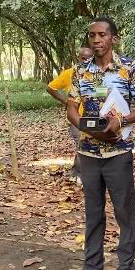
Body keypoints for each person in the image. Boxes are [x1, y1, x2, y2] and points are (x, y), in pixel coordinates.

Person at [64, 17, 135, 270]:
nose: (96, 40)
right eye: (92, 35)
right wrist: (91, 130)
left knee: (124, 213)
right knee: (93, 212)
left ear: (113, 38)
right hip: (88, 152)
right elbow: (71, 110)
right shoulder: (80, 70)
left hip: (118, 152)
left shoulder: (130, 68)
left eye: (102, 35)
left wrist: (121, 122)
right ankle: (93, 268)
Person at [47, 47, 94, 184]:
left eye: (89, 58)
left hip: (92, 116)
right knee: (82, 144)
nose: (86, 61)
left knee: (87, 144)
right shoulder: (69, 73)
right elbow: (51, 88)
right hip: (75, 117)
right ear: (78, 58)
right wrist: (66, 102)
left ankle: (77, 173)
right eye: (83, 58)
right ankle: (79, 175)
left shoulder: (96, 73)